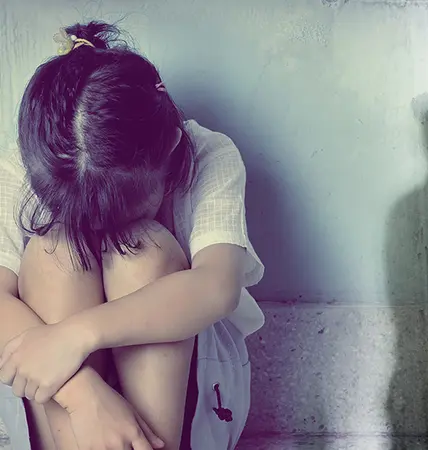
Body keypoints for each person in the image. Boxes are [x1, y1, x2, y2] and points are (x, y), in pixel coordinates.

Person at [0, 20, 265, 450]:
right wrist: (84, 396)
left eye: (117, 211)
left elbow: (217, 288)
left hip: (187, 393)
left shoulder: (208, 154)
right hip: (60, 403)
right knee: (56, 250)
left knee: (141, 249)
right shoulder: (30, 162)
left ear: (171, 148)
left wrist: (76, 336)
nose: (100, 228)